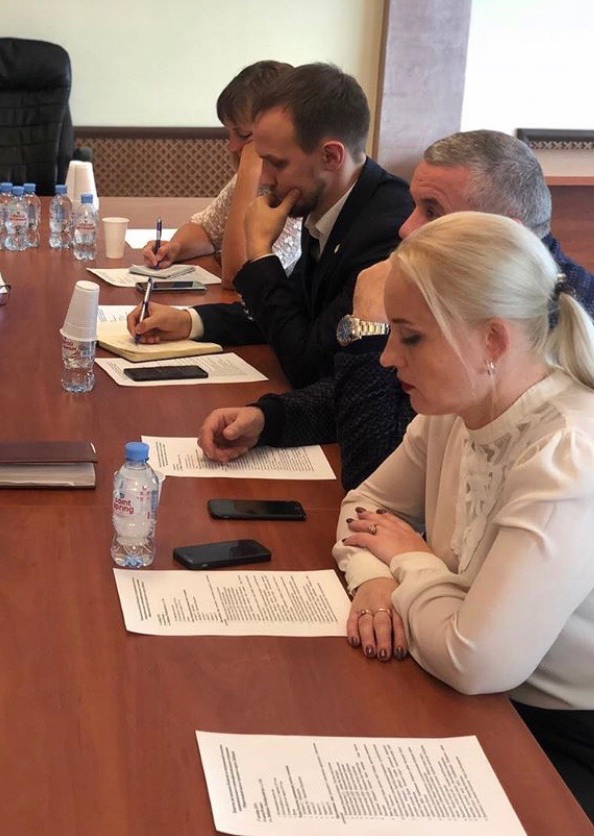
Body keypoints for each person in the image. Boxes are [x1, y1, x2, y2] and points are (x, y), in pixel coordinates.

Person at [332, 212, 594, 819]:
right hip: (463, 691)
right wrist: (372, 581)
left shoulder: (568, 454)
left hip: (558, 736)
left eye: (410, 337)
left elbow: (477, 661)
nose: (386, 358)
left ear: (493, 341)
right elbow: (363, 505)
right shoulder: (456, 410)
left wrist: (410, 562)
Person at [199, 130, 594, 489]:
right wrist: (271, 419)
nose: (406, 228)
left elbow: (369, 468)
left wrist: (368, 329)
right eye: (414, 207)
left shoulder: (549, 324)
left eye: (431, 212)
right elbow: (392, 391)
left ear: (505, 234)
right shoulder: (473, 286)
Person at [128, 63, 413, 387]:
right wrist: (189, 321)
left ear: (331, 157)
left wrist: (261, 252)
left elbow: (309, 364)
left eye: (276, 163)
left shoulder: (387, 230)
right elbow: (295, 312)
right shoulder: (321, 198)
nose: (264, 178)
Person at [141, 60, 302, 281]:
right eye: (229, 133)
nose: (232, 146)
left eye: (243, 135)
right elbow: (206, 229)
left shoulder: (298, 195)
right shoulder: (251, 178)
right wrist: (175, 247)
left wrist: (249, 173)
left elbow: (239, 275)